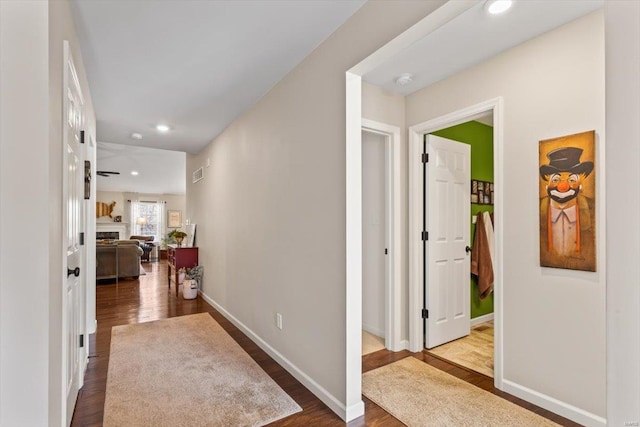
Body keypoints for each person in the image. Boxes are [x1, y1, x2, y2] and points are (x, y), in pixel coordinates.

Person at [539, 146, 596, 271]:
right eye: (556, 179)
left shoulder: (593, 210)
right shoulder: (537, 210)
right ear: (546, 185)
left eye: (571, 179)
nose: (563, 186)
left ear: (580, 185)